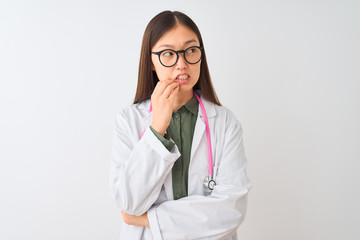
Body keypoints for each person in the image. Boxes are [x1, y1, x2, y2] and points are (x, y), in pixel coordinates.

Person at [110, 10, 252, 240]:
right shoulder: (129, 120)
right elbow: (129, 202)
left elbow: (231, 211)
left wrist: (149, 220)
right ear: (151, 62)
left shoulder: (225, 123)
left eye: (191, 50)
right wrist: (157, 128)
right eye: (168, 53)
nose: (182, 63)